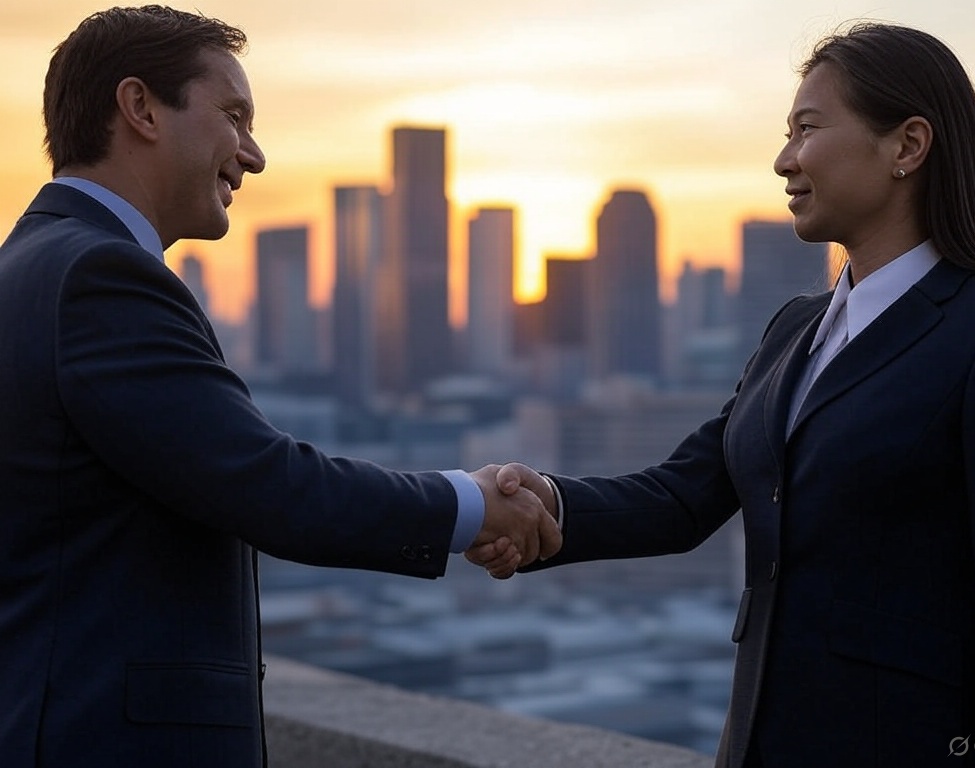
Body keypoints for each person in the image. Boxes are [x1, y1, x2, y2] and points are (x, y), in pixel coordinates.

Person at [0, 6, 557, 767]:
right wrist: (470, 504)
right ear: (140, 109)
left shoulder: (28, 267)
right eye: (233, 116)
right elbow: (266, 485)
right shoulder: (101, 277)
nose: (254, 156)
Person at [470, 22, 975, 768]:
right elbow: (685, 496)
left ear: (908, 145)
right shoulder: (796, 330)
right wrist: (546, 504)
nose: (783, 159)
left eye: (806, 129)